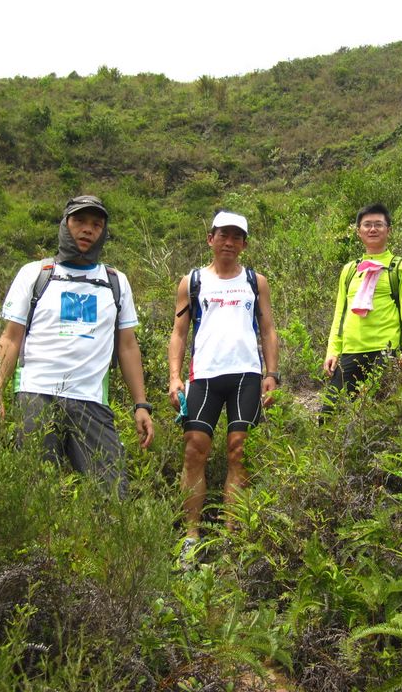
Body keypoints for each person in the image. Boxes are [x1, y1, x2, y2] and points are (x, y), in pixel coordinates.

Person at [0, 194, 154, 489]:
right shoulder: (35, 273)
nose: (88, 229)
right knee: (35, 491)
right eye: (79, 221)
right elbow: (11, 338)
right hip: (36, 395)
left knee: (112, 493)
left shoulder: (116, 282)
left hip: (91, 400)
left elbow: (128, 346)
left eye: (96, 224)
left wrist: (141, 404)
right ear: (65, 224)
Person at [167, 210, 279, 555]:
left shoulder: (255, 282)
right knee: (194, 450)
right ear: (210, 239)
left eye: (236, 237)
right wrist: (174, 377)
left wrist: (271, 373)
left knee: (239, 452)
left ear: (244, 244)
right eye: (223, 235)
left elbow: (268, 329)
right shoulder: (192, 281)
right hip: (204, 376)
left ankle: (232, 537)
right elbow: (179, 332)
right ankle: (191, 536)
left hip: (246, 375)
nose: (229, 242)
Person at [322, 202, 402, 413]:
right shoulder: (349, 270)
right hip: (351, 351)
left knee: (383, 414)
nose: (372, 229)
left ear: (388, 230)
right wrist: (333, 350)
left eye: (378, 224)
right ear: (359, 231)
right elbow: (340, 314)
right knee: (329, 414)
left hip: (386, 351)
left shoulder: (400, 267)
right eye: (367, 225)